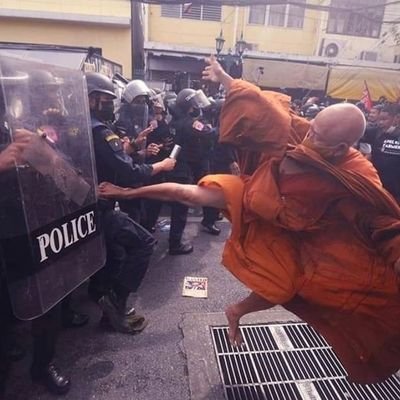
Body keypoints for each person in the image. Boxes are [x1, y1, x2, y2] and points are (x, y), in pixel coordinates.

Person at [98, 56, 400, 384]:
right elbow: (267, 111)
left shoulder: (357, 172)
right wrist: (226, 78)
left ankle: (237, 312)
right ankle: (129, 194)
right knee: (192, 194)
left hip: (301, 231)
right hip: (259, 195)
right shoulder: (302, 136)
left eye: (318, 136)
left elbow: (380, 221)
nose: (308, 137)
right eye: (311, 129)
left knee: (286, 285)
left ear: (342, 146)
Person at [85, 72, 175, 334]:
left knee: (112, 256)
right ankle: (114, 302)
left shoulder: (76, 125)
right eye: (103, 100)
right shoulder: (99, 130)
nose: (108, 106)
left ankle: (106, 306)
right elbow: (129, 172)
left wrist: (135, 147)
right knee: (144, 242)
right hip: (101, 203)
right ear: (90, 99)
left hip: (84, 207)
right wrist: (160, 166)